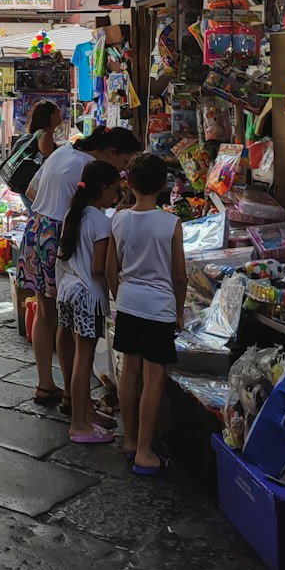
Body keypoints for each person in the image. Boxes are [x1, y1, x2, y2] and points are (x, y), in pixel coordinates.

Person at [18, 125, 140, 408]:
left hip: (38, 227)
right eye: (123, 164)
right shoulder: (88, 166)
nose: (121, 173)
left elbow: (33, 189)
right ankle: (75, 395)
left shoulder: (65, 150)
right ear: (111, 152)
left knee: (47, 312)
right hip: (59, 233)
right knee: (69, 320)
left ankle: (46, 384)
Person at [105, 151, 187, 476]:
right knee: (154, 377)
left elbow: (111, 269)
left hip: (128, 303)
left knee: (129, 372)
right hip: (159, 307)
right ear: (164, 184)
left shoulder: (119, 219)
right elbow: (179, 276)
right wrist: (179, 310)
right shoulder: (171, 224)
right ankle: (144, 451)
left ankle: (129, 440)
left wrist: (119, 296)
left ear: (130, 183)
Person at [56, 160, 122, 443]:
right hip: (87, 295)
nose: (116, 197)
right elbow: (99, 267)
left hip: (68, 290)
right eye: (115, 191)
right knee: (84, 359)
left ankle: (84, 412)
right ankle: (79, 424)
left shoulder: (75, 213)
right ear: (103, 189)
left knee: (79, 357)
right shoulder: (101, 222)